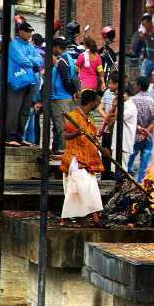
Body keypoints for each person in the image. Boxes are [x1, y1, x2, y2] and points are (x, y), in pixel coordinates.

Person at [60, 89, 106, 226]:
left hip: (88, 160)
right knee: (78, 188)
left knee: (91, 188)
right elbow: (64, 135)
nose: (98, 104)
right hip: (75, 159)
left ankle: (95, 217)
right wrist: (77, 133)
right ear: (91, 103)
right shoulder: (73, 116)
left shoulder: (89, 119)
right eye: (97, 101)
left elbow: (93, 140)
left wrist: (102, 150)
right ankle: (64, 219)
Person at [5, 21, 42, 147]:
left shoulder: (30, 46)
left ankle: (20, 137)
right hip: (16, 81)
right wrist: (33, 61)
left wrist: (30, 60)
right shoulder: (14, 45)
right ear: (20, 31)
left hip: (29, 81)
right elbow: (21, 60)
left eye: (30, 31)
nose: (29, 34)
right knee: (14, 110)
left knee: (25, 111)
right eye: (27, 31)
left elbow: (40, 60)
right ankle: (10, 137)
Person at [48, 36, 78, 153]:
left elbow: (66, 80)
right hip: (63, 97)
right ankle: (58, 148)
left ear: (56, 47)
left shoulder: (62, 61)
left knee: (61, 126)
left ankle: (62, 150)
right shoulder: (68, 58)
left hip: (60, 98)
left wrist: (71, 92)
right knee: (60, 125)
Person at [127, 76, 154, 181]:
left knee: (129, 158)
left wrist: (139, 128)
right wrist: (147, 130)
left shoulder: (132, 101)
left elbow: (128, 119)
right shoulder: (153, 102)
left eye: (135, 84)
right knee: (145, 161)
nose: (134, 86)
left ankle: (127, 178)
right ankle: (140, 182)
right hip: (147, 136)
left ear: (139, 86)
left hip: (133, 136)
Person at [132, 13, 154, 77]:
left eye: (145, 25)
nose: (144, 27)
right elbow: (135, 45)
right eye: (143, 25)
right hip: (147, 59)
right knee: (143, 78)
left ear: (150, 23)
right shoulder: (144, 34)